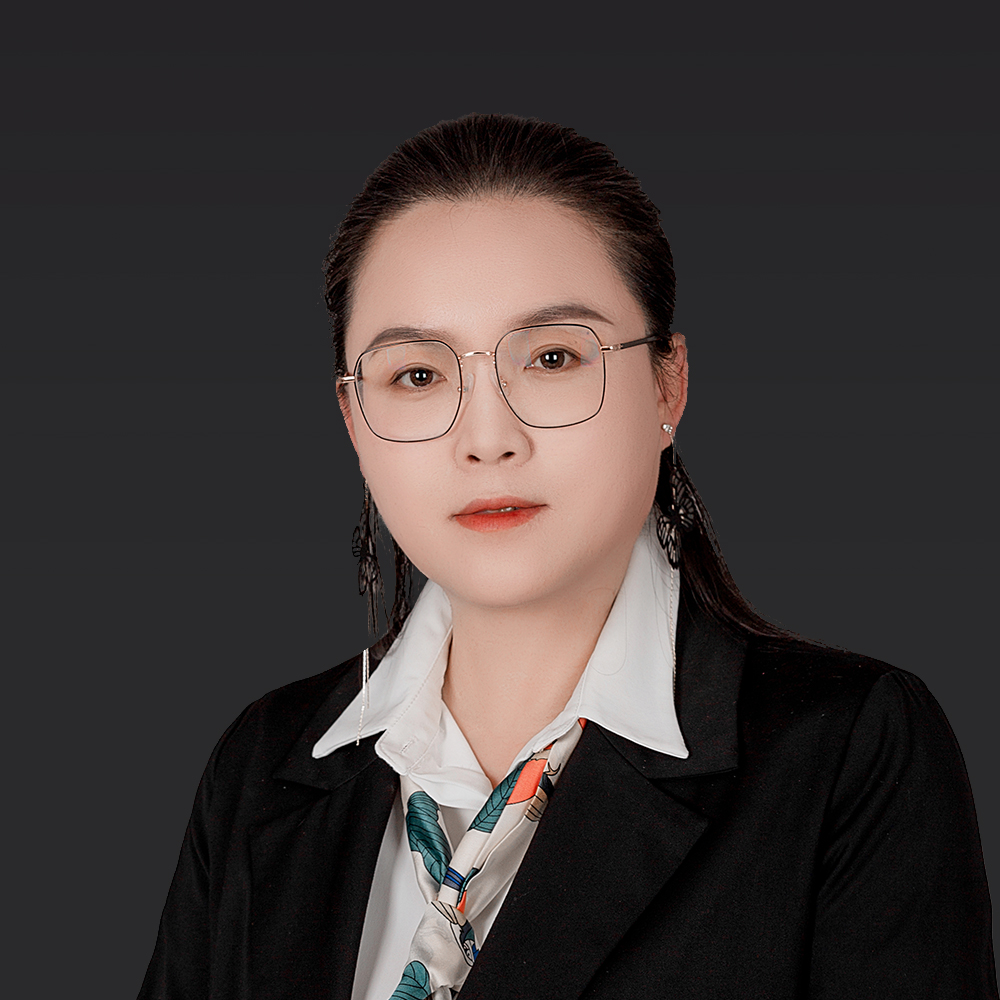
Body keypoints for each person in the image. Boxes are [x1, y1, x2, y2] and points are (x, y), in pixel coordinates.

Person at [138, 114, 996, 999]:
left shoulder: (847, 753)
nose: (487, 438)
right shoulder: (263, 766)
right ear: (354, 420)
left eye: (552, 358)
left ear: (668, 384)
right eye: (418, 375)